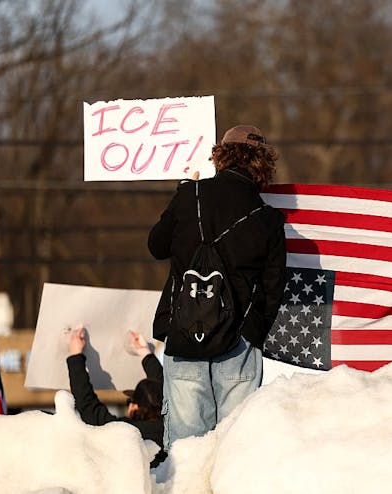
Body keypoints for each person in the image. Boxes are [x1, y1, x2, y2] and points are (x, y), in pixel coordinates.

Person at [148, 124, 287, 450]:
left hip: (184, 337)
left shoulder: (189, 196)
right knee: (234, 450)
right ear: (263, 164)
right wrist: (253, 332)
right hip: (239, 343)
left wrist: (183, 192)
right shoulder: (269, 219)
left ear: (221, 156)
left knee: (185, 452)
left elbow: (156, 246)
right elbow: (274, 287)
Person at [65, 327, 165, 467]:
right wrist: (145, 353)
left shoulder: (130, 432)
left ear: (136, 406)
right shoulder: (173, 427)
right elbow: (164, 389)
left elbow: (90, 409)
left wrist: (75, 357)